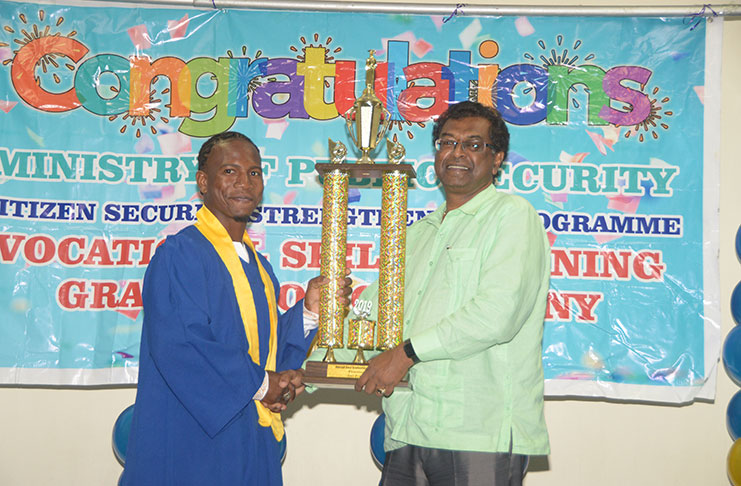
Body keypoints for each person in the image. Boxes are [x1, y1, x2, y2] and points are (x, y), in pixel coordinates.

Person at [121, 131, 352, 486]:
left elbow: (263, 350)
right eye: (229, 171)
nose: (244, 182)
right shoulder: (181, 255)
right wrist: (264, 384)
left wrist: (308, 311)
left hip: (248, 436)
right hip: (193, 440)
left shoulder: (260, 267)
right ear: (203, 182)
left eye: (254, 173)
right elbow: (183, 345)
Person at [354, 101, 551, 485]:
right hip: (408, 424)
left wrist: (406, 354)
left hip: (477, 432)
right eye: (447, 142)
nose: (457, 153)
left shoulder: (512, 216)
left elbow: (497, 314)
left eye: (473, 145)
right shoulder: (417, 234)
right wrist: (302, 370)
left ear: (497, 160)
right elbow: (373, 311)